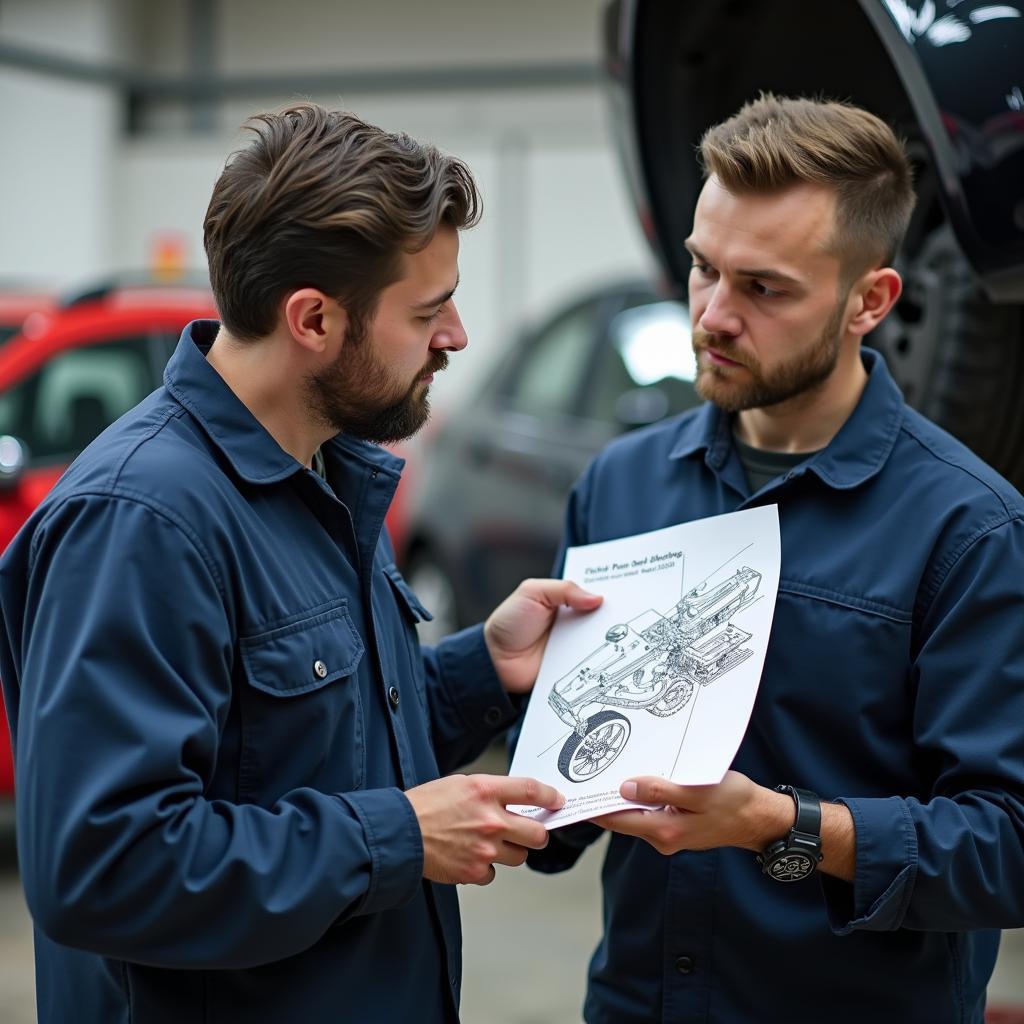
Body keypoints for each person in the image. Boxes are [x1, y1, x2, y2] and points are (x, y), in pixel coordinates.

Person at [0, 103, 601, 1024]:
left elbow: (311, 756)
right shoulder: (144, 521)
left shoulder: (317, 471)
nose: (458, 337)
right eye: (428, 311)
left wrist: (485, 667)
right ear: (314, 319)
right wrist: (398, 835)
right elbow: (104, 868)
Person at [525, 94, 1024, 1022]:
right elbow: (565, 788)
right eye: (702, 269)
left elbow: (1006, 847)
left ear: (869, 301)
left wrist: (784, 829)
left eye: (765, 288)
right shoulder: (622, 485)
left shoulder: (971, 530)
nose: (713, 317)